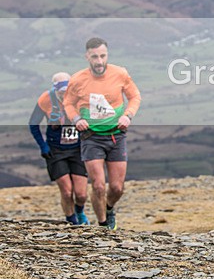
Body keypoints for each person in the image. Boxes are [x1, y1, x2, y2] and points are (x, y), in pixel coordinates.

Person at [64, 37, 141, 230]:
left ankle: (109, 207)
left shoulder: (120, 74)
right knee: (98, 185)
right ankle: (103, 225)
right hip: (91, 137)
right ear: (87, 57)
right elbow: (68, 103)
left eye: (102, 56)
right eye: (95, 57)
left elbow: (134, 96)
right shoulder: (78, 79)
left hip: (116, 134)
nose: (99, 61)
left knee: (116, 188)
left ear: (107, 55)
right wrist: (76, 120)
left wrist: (128, 116)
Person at [29, 72, 90, 225]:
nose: (65, 95)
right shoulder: (45, 99)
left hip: (78, 149)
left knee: (81, 194)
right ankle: (72, 222)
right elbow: (33, 123)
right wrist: (43, 146)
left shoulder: (80, 97)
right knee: (67, 190)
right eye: (62, 92)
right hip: (56, 150)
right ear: (55, 89)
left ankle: (80, 212)